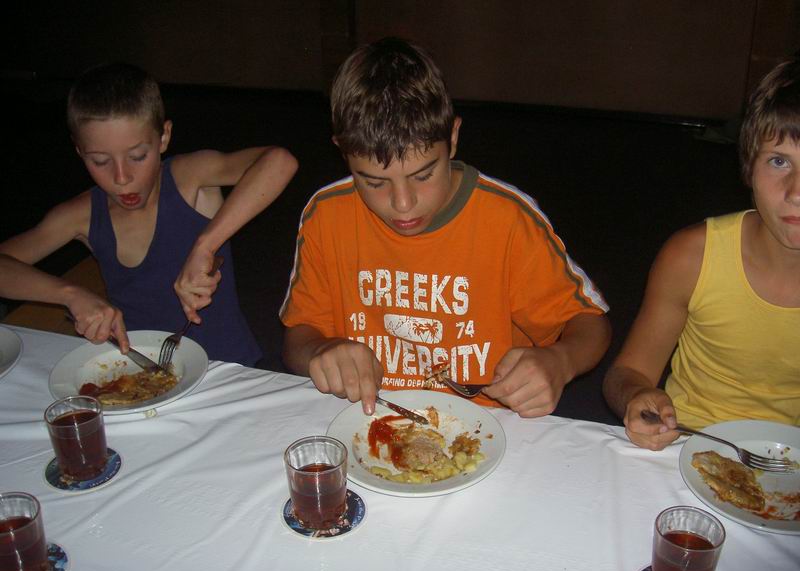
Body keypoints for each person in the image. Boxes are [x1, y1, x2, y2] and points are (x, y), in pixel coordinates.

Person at [280, 38, 610, 417]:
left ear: (452, 138)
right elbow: (298, 336)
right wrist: (320, 351)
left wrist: (560, 361)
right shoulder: (327, 215)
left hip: (485, 420)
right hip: (368, 414)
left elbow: (590, 324)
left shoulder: (506, 219)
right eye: (374, 182)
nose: (403, 204)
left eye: (423, 175)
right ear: (342, 151)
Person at [0, 63, 297, 365]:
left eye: (138, 156)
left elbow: (279, 161)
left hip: (228, 368)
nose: (121, 177)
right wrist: (70, 294)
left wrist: (204, 246)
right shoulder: (81, 214)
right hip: (142, 374)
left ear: (164, 137)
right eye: (100, 161)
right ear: (80, 152)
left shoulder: (190, 178)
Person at [603, 54, 800, 450]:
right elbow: (627, 373)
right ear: (749, 167)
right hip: (687, 448)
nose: (796, 193)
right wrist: (638, 396)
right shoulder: (692, 256)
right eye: (779, 161)